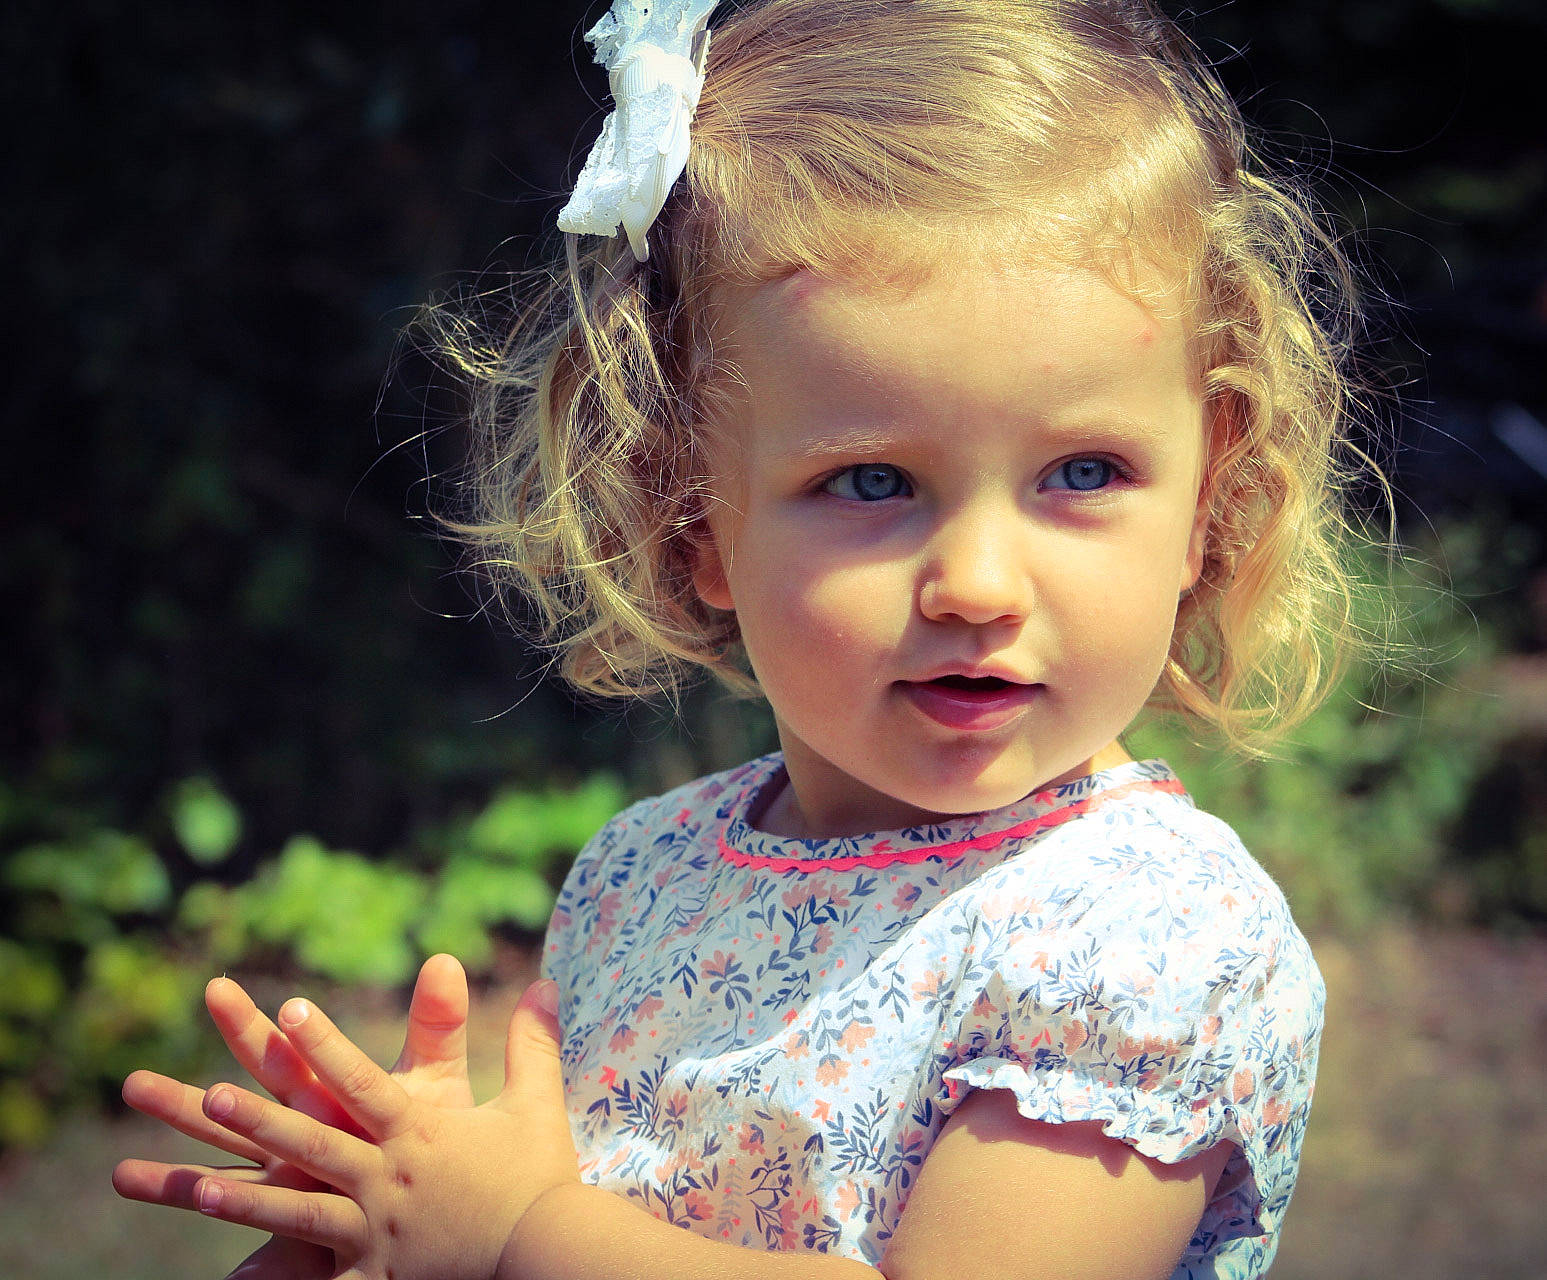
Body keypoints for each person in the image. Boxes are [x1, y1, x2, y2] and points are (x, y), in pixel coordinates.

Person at [113, 0, 1384, 1275]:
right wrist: (382, 1218)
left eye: (1085, 469)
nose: (978, 584)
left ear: (1204, 497)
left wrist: (516, 1233)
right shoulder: (641, 873)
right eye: (873, 482)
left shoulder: (1143, 939)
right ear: (690, 516)